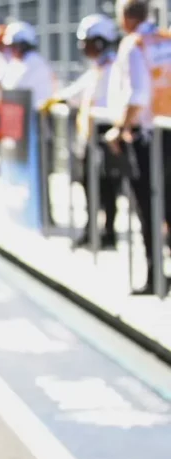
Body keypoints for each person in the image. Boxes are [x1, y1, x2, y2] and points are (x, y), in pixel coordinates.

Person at [107, 0, 171, 294]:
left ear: (127, 16)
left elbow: (138, 95)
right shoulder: (166, 39)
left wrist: (120, 130)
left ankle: (155, 277)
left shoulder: (134, 45)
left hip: (148, 136)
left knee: (148, 207)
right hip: (167, 132)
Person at [47, 14, 121, 250]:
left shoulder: (114, 68)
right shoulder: (99, 68)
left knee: (107, 186)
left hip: (105, 134)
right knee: (89, 185)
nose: (84, 48)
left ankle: (107, 232)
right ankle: (92, 230)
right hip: (90, 136)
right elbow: (78, 91)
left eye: (88, 42)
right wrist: (57, 99)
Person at [0, 22, 55, 110]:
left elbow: (11, 89)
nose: (10, 50)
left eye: (13, 46)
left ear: (23, 46)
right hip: (24, 113)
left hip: (34, 116)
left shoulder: (33, 62)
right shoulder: (19, 62)